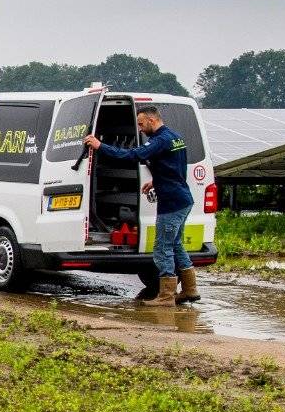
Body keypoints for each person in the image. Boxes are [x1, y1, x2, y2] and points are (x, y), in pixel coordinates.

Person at [85, 104, 199, 306]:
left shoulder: (160, 140)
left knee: (162, 247)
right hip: (183, 199)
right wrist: (156, 181)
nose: (139, 128)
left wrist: (100, 146)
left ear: (151, 120)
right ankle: (190, 290)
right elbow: (175, 167)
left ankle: (165, 297)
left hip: (171, 203)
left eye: (140, 124)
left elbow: (131, 156)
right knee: (176, 244)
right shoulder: (175, 137)